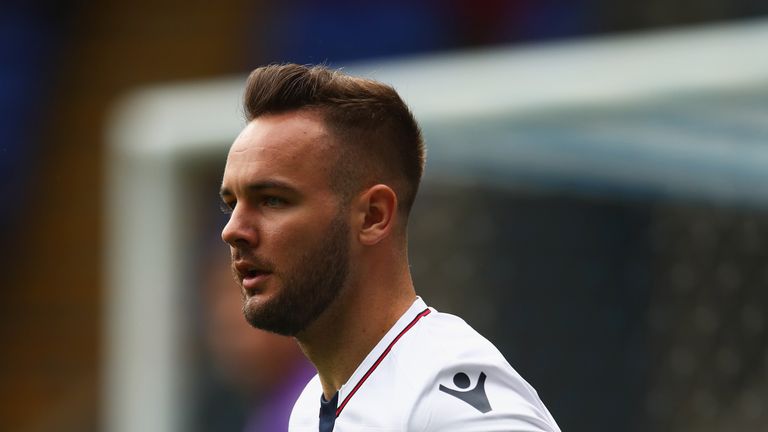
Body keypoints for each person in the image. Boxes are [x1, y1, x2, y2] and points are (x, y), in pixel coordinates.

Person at [219, 63, 561, 431]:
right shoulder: (308, 408)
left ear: (373, 216)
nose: (233, 230)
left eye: (272, 200)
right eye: (231, 204)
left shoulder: (446, 399)